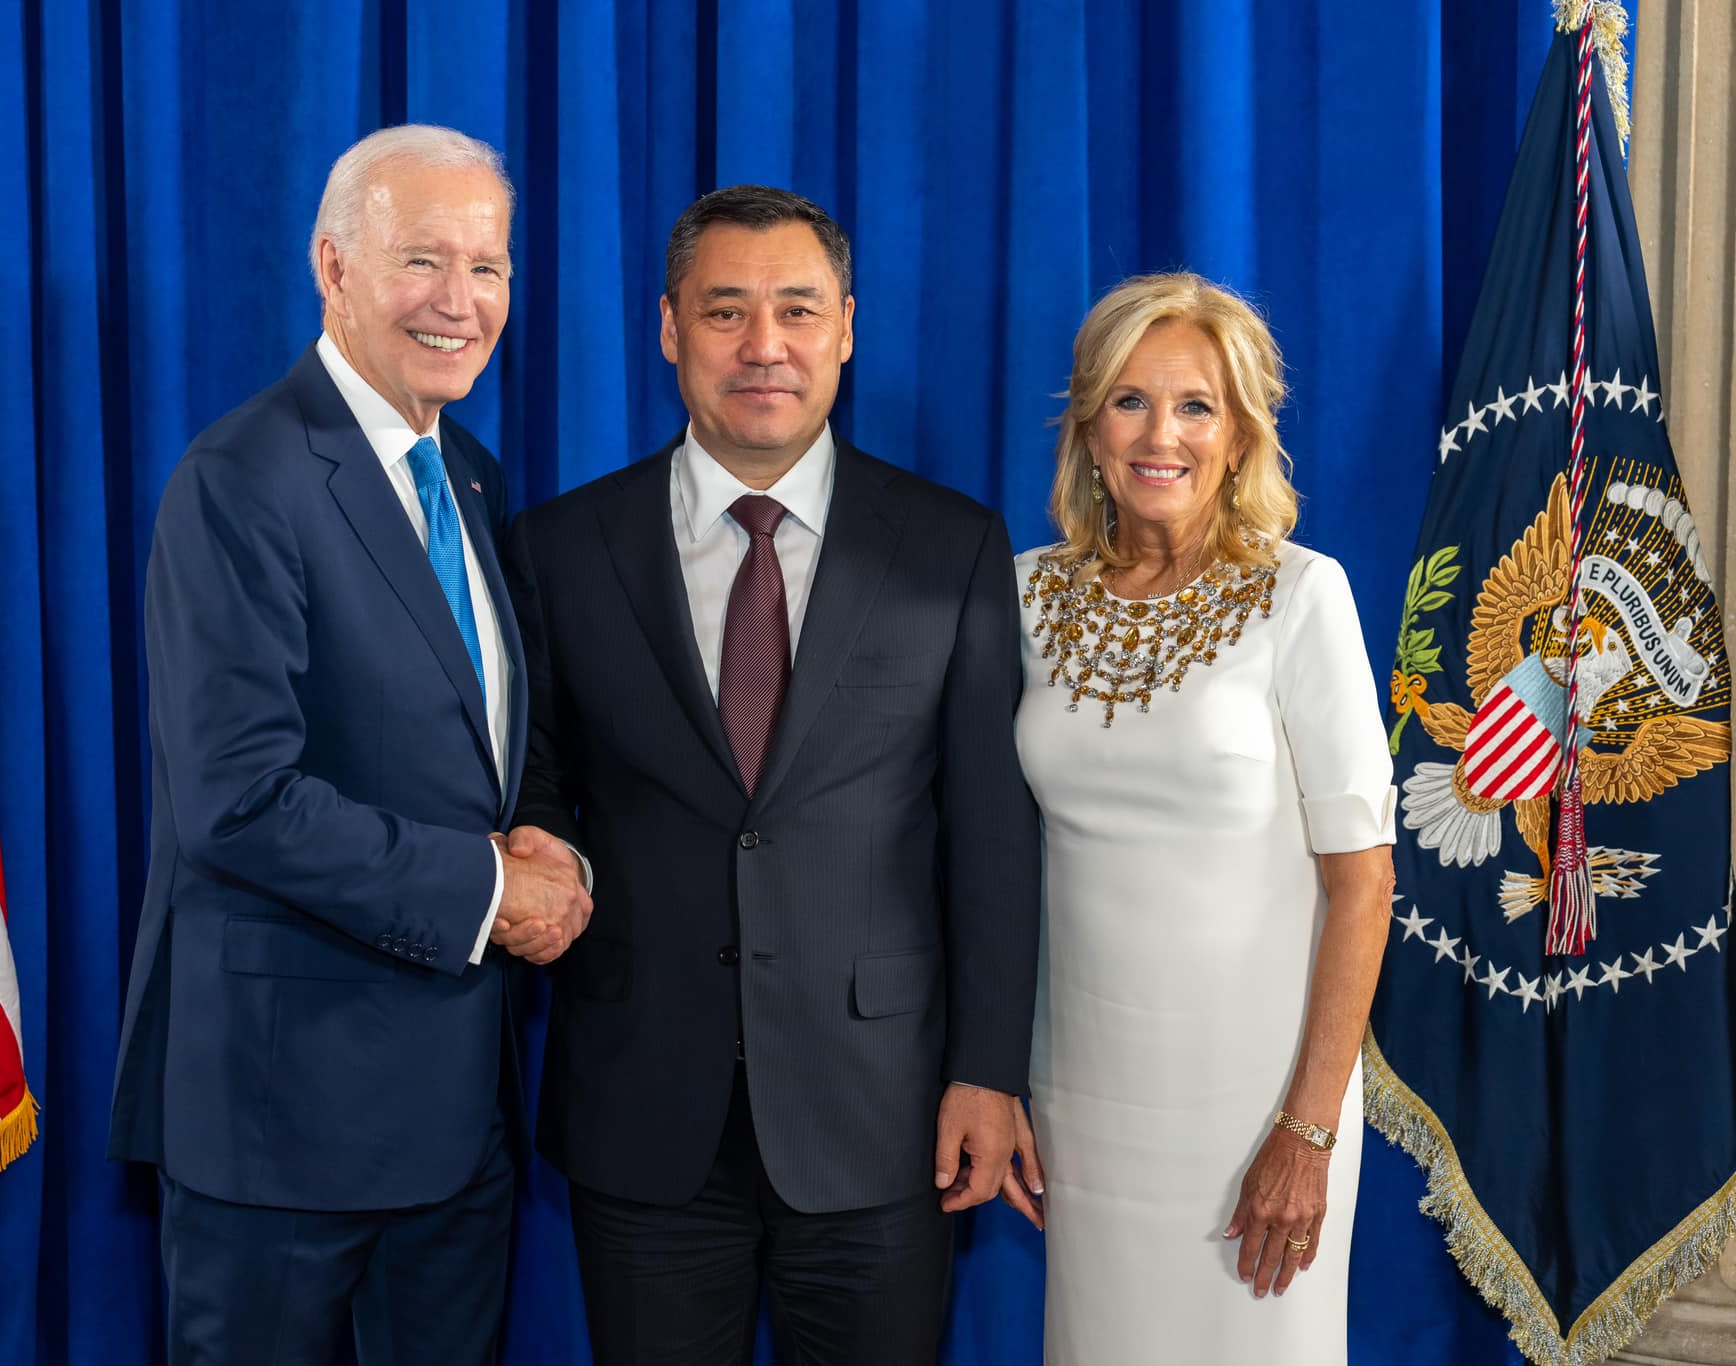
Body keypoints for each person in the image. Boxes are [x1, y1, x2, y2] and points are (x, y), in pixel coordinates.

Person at [504, 185, 1042, 1366]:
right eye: (724, 310)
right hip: (640, 1106)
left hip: (885, 1113)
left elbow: (990, 836)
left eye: (796, 309)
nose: (763, 346)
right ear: (667, 327)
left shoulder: (949, 545)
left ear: (844, 327)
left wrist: (987, 1072)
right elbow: (533, 784)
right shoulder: (558, 547)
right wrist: (539, 857)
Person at [106, 125, 591, 1366]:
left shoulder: (466, 472)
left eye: (487, 267)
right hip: (284, 1125)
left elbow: (479, 738)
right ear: (333, 268)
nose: (459, 301)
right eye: (421, 260)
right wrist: (488, 888)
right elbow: (238, 799)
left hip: (458, 1117)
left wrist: (542, 846)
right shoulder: (242, 477)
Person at [1013, 272, 1396, 1364]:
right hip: (1080, 1099)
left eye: (1195, 406)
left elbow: (1363, 883)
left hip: (1261, 1107)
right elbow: (984, 858)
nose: (1160, 435)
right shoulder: (1022, 597)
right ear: (1089, 430)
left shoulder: (1301, 595)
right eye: (1129, 401)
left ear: (1238, 438)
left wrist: (1308, 1129)